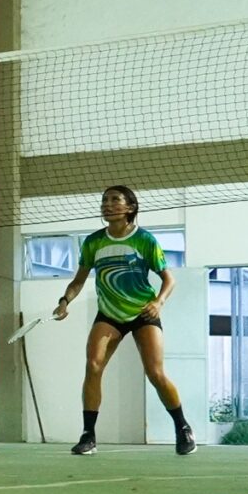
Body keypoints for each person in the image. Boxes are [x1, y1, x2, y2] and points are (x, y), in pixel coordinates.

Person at [53, 184, 196, 457]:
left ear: (130, 207)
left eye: (114, 200)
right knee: (93, 366)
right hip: (109, 314)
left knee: (155, 373)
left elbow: (169, 279)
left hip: (143, 312)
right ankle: (88, 435)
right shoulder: (94, 241)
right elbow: (78, 280)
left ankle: (183, 427)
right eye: (104, 200)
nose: (107, 204)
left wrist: (158, 302)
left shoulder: (144, 240)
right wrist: (64, 301)